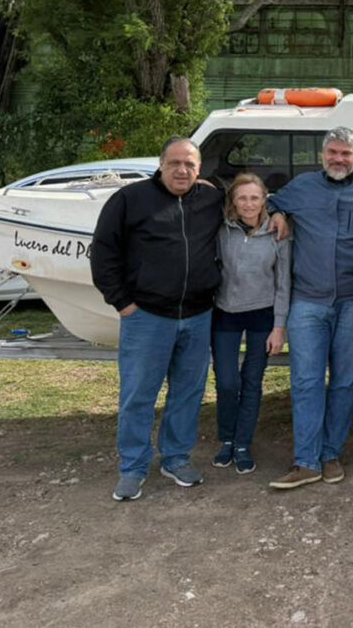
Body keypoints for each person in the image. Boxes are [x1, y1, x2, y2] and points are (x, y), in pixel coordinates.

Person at [264, 127, 353, 490]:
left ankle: (330, 453)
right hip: (308, 302)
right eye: (333, 153)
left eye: (346, 154)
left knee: (345, 381)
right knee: (306, 381)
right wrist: (276, 212)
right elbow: (270, 200)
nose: (339, 159)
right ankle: (305, 461)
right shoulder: (301, 188)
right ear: (323, 155)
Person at [91, 137, 223, 502]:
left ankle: (176, 458)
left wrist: (276, 214)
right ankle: (132, 468)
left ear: (200, 170)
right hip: (147, 316)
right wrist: (121, 302)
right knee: (138, 396)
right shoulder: (130, 200)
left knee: (188, 393)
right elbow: (103, 251)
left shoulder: (211, 198)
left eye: (190, 165)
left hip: (198, 315)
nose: (182, 170)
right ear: (161, 165)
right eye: (175, 163)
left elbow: (250, 200)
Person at [210, 173, 291, 475]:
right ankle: (226, 440)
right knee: (228, 382)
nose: (248, 204)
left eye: (254, 198)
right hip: (226, 312)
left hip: (262, 314)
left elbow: (284, 283)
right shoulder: (222, 230)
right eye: (242, 197)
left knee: (252, 381)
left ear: (264, 200)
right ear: (233, 200)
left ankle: (243, 443)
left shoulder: (278, 232)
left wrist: (279, 326)